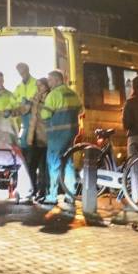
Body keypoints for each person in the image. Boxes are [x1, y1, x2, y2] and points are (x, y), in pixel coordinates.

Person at [40, 70, 83, 205]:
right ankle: (70, 194)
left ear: (57, 80)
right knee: (68, 162)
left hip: (57, 134)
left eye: (50, 80)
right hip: (71, 133)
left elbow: (45, 115)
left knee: (53, 164)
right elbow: (81, 111)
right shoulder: (73, 94)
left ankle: (52, 196)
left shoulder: (54, 95)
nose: (49, 83)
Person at [20, 77, 50, 201]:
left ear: (46, 86)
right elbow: (25, 109)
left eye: (40, 85)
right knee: (31, 166)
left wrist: (37, 103)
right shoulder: (36, 97)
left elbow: (47, 113)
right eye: (37, 85)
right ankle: (31, 190)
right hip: (33, 137)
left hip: (44, 137)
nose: (38, 88)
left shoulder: (49, 98)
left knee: (43, 167)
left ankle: (42, 192)